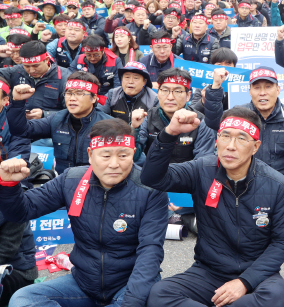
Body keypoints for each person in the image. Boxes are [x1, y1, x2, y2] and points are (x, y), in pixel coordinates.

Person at [0, 118, 167, 307]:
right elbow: (21, 212)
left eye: (123, 156)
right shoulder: (70, 180)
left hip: (130, 285)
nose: (114, 164)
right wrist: (9, 186)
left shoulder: (150, 190)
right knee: (23, 300)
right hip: (83, 283)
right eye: (105, 156)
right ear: (90, 155)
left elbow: (150, 253)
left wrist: (131, 302)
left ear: (133, 154)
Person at [141, 106, 284, 307]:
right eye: (225, 136)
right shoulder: (201, 169)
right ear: (217, 141)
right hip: (208, 272)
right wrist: (170, 133)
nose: (231, 146)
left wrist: (244, 282)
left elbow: (283, 241)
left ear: (255, 146)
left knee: (277, 297)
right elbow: (152, 178)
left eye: (241, 138)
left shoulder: (277, 183)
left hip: (257, 274)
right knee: (160, 294)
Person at [205, 66, 284, 205]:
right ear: (250, 91)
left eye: (268, 87)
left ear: (278, 89)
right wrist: (216, 87)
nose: (262, 93)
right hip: (245, 184)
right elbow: (214, 121)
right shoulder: (240, 115)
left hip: (283, 184)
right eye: (257, 88)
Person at [7, 71, 113, 173]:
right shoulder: (57, 119)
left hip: (96, 183)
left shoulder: (108, 125)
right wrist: (17, 102)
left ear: (94, 98)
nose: (72, 98)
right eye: (69, 93)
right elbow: (22, 131)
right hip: (62, 183)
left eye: (79, 94)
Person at [135, 68, 215, 162]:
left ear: (188, 96)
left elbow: (202, 163)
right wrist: (134, 129)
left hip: (186, 175)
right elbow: (135, 156)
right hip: (152, 174)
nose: (170, 97)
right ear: (158, 92)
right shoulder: (148, 117)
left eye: (177, 91)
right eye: (165, 90)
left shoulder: (200, 122)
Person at [0, 41, 71, 119]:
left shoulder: (65, 77)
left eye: (36, 66)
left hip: (49, 126)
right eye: (26, 66)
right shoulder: (17, 70)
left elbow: (73, 111)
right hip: (18, 123)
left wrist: (45, 114)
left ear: (47, 60)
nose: (32, 70)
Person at [71, 35, 123, 104]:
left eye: (96, 55)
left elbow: (118, 87)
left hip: (107, 98)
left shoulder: (115, 61)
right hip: (83, 96)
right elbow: (71, 80)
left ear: (103, 51)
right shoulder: (78, 59)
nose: (92, 58)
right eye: (88, 55)